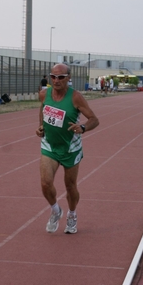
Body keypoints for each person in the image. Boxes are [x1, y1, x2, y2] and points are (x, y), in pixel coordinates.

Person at [36, 63, 99, 234]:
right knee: (45, 182)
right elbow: (42, 110)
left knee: (70, 186)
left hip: (71, 147)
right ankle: (56, 210)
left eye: (61, 77)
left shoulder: (76, 97)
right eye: (53, 76)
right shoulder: (43, 94)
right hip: (49, 145)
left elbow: (94, 119)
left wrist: (83, 127)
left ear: (68, 78)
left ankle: (72, 214)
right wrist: (41, 126)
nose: (56, 80)